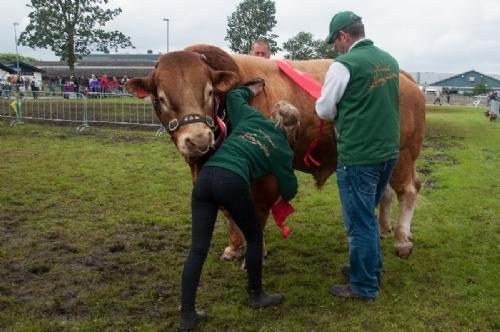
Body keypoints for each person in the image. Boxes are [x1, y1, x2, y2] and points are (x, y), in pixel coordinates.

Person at [179, 80, 299, 330]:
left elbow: (233, 99)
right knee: (254, 237)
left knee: (198, 248)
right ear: (292, 128)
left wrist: (250, 90)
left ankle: (187, 313)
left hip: (205, 178)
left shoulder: (252, 119)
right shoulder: (283, 149)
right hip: (232, 181)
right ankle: (256, 294)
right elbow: (291, 189)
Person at [315, 11, 400, 300]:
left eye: (335, 41)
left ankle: (364, 286)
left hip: (359, 157)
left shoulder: (344, 64)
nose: (335, 47)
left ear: (343, 36)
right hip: (388, 153)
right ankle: (369, 269)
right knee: (367, 216)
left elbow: (324, 110)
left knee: (359, 223)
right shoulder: (389, 61)